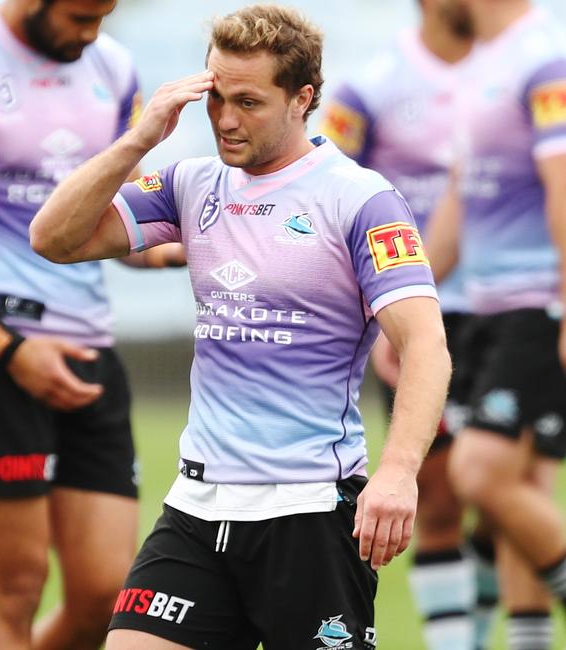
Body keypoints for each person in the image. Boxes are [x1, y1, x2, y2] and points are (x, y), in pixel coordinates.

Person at [30, 5, 452, 649]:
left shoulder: (362, 200)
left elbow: (425, 346)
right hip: (198, 507)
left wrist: (397, 473)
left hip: (308, 511)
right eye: (216, 97)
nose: (226, 119)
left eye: (249, 102)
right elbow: (53, 238)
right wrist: (141, 137)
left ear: (302, 98)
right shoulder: (190, 183)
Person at [0, 1, 176, 648]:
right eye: (81, 16)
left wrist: (182, 248)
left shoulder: (113, 68)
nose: (93, 33)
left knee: (104, 597)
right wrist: (8, 352)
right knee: (16, 590)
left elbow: (121, 225)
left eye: (103, 16)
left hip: (90, 354)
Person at [319, 3, 498, 649]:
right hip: (417, 316)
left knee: (504, 491)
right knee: (443, 498)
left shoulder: (511, 72)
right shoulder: (374, 85)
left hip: (508, 311)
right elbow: (321, 189)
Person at [425, 1, 566, 649]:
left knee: (481, 473)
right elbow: (460, 194)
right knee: (519, 487)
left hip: (537, 304)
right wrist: (409, 303)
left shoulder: (545, 57)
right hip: (483, 310)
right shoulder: (481, 65)